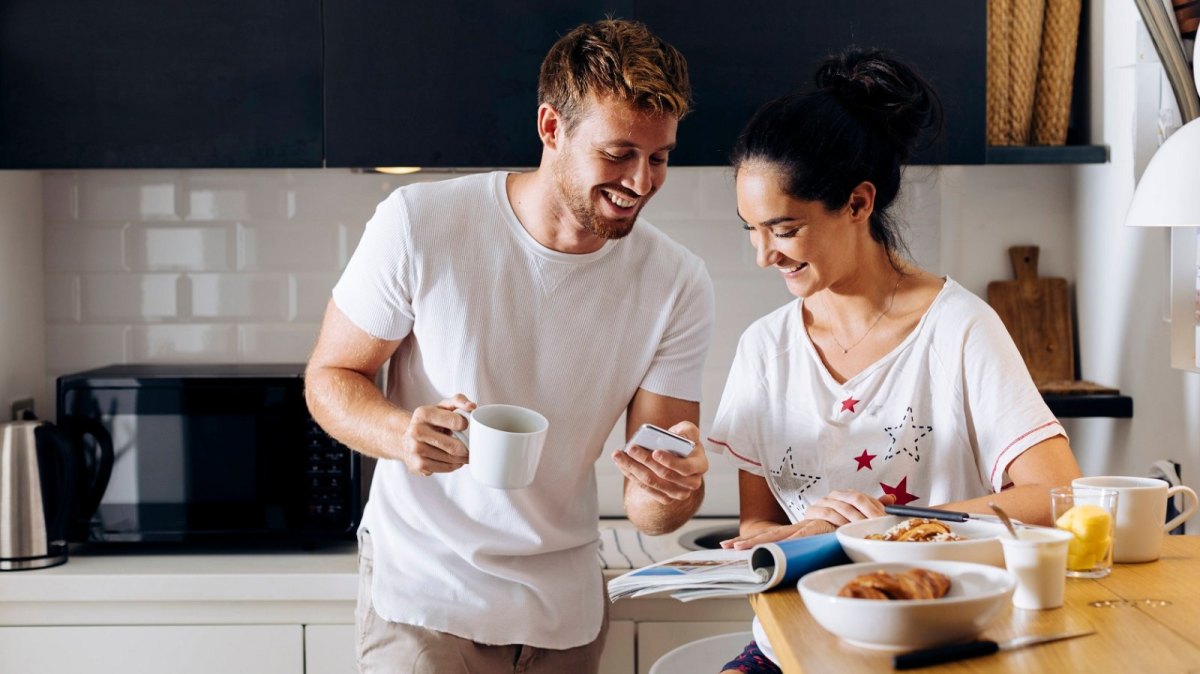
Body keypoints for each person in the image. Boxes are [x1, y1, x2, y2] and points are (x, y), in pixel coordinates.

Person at [304, 18, 715, 674]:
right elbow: (330, 376)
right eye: (618, 154)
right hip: (424, 602)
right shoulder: (421, 223)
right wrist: (401, 434)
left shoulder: (677, 282)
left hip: (566, 611)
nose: (642, 182)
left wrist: (675, 487)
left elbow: (652, 509)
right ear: (552, 129)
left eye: (660, 156)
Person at [707, 48, 1083, 673]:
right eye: (751, 230)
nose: (762, 255)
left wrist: (888, 526)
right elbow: (761, 522)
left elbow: (1059, 493)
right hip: (792, 645)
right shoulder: (763, 349)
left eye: (783, 229)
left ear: (857, 204)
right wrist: (787, 539)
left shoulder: (958, 330)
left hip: (930, 643)